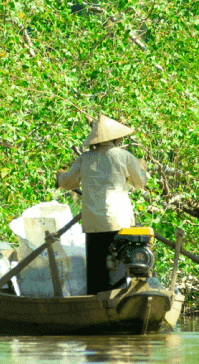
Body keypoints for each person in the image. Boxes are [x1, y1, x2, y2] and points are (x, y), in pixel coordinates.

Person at [56, 115, 149, 295]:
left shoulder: (85, 158)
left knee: (97, 270)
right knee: (118, 267)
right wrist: (143, 170)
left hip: (94, 224)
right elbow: (140, 183)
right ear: (116, 139)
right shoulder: (124, 156)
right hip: (119, 222)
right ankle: (117, 302)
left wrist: (60, 176)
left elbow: (68, 183)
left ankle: (95, 302)